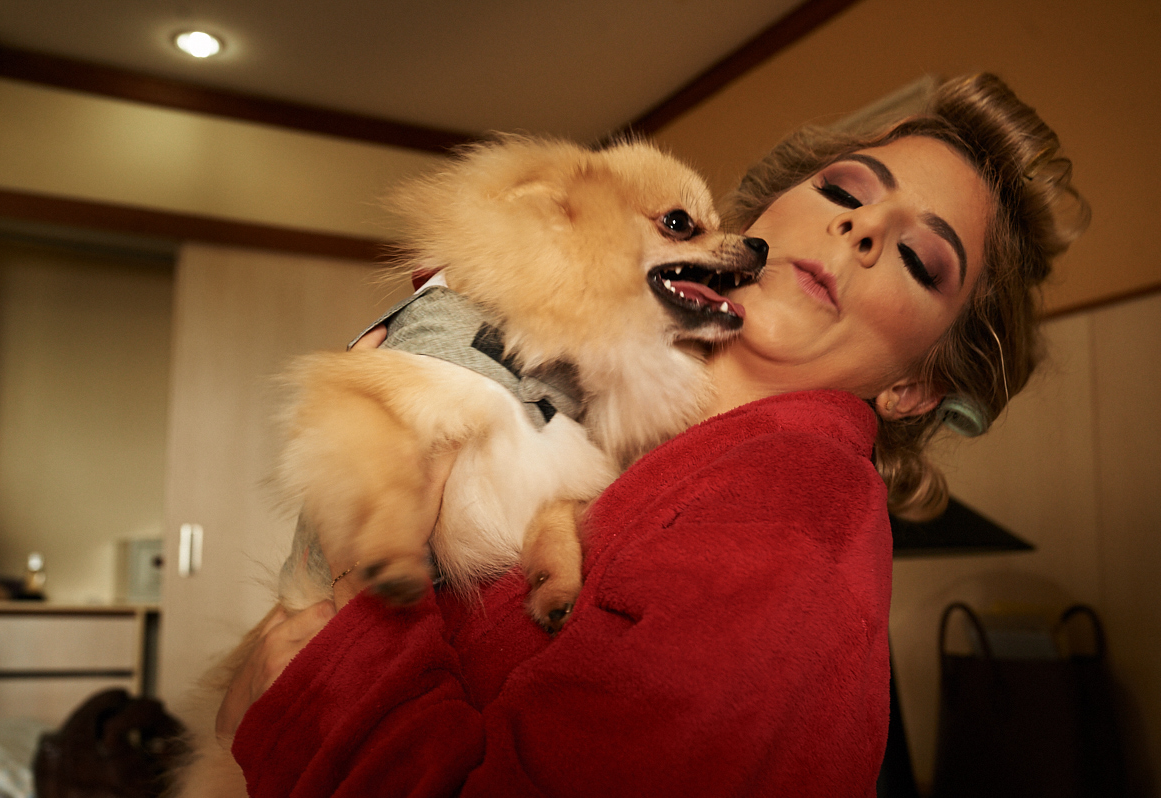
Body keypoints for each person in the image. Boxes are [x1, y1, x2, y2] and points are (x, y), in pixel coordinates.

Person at [214, 73, 1088, 796]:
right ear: (764, 212)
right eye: (844, 191)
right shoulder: (602, 432)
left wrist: (330, 667)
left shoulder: (795, 507)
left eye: (918, 260)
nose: (861, 229)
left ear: (914, 385)